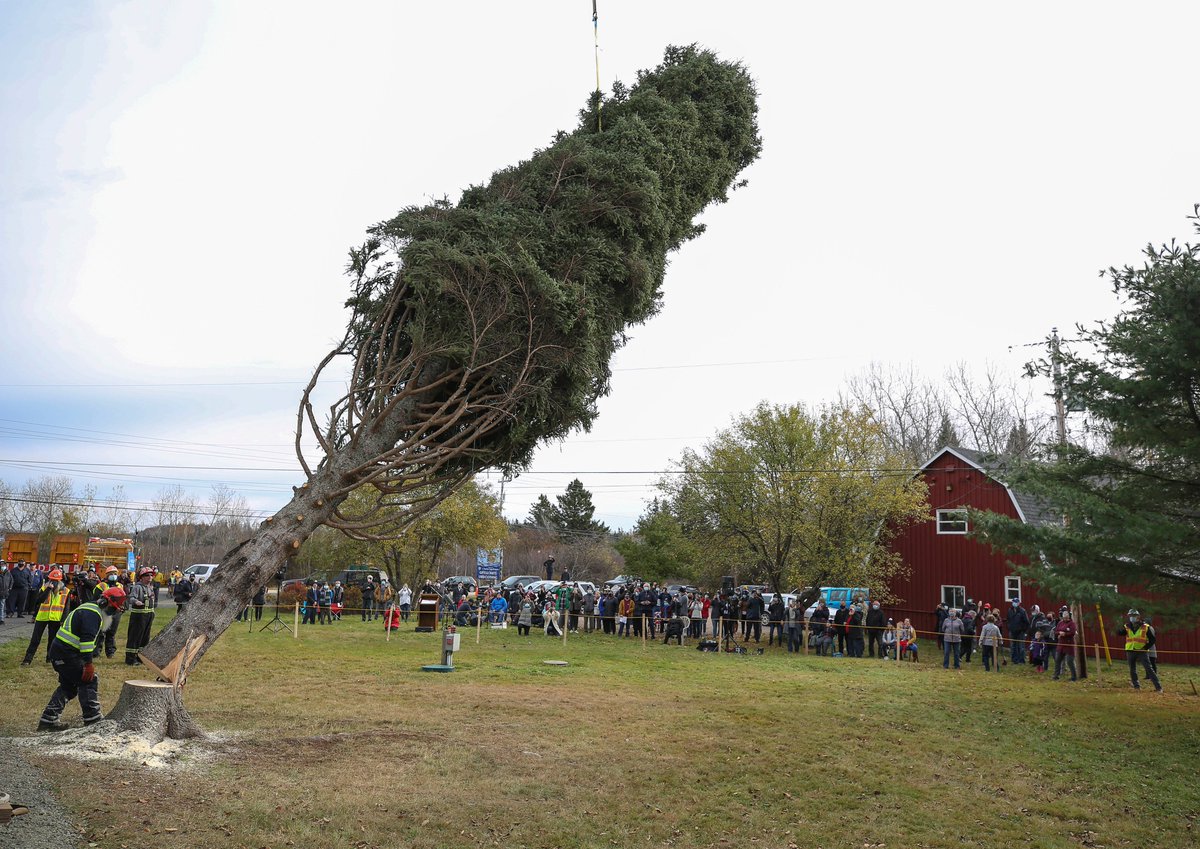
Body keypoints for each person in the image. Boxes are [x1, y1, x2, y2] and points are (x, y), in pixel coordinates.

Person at [38, 585, 127, 732]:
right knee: (89, 679)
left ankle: (48, 720)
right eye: (117, 607)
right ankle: (92, 719)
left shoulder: (91, 608)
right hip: (66, 654)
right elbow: (86, 642)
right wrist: (88, 664)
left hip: (62, 653)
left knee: (68, 686)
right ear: (107, 604)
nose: (118, 610)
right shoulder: (93, 614)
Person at [21, 569, 68, 665]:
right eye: (51, 580)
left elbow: (67, 607)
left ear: (60, 581)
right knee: (35, 640)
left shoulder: (66, 591)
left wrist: (63, 619)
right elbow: (39, 600)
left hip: (56, 618)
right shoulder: (44, 588)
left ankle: (49, 658)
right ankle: (27, 659)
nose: (53, 582)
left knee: (52, 640)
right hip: (42, 617)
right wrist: (48, 589)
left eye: (56, 580)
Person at [1115, 609, 1162, 692]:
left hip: (1142, 651)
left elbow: (1152, 639)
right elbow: (1119, 633)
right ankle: (1136, 687)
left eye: (1134, 616)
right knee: (1132, 669)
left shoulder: (1146, 627)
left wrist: (1146, 647)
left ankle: (1158, 687)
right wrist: (1118, 625)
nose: (1132, 617)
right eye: (1130, 616)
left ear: (1138, 617)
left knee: (1149, 669)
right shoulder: (1127, 626)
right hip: (1130, 650)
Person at [124, 568, 157, 665]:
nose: (150, 577)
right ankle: (130, 659)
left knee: (145, 637)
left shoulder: (150, 587)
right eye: (147, 575)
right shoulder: (137, 587)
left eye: (151, 575)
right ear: (141, 578)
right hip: (139, 616)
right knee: (135, 637)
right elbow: (131, 598)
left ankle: (140, 657)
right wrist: (136, 601)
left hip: (148, 616)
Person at [1052, 606, 1078, 682]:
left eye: (1067, 618)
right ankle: (1056, 675)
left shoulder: (1072, 624)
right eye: (1064, 618)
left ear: (1069, 617)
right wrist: (1059, 633)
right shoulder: (1060, 623)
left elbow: (1072, 632)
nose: (1065, 619)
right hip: (1061, 644)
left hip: (1069, 644)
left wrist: (1065, 634)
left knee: (1070, 661)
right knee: (1057, 660)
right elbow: (1056, 632)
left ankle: (1074, 677)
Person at [1006, 598, 1030, 665]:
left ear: (1019, 603)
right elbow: (1008, 620)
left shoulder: (1022, 611)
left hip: (1020, 632)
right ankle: (1014, 660)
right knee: (1013, 646)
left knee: (1021, 646)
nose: (1014, 603)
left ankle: (1021, 660)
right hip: (1012, 631)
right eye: (1013, 602)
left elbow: (1027, 622)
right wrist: (1009, 627)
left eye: (1016, 602)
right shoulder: (1009, 610)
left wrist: (1024, 631)